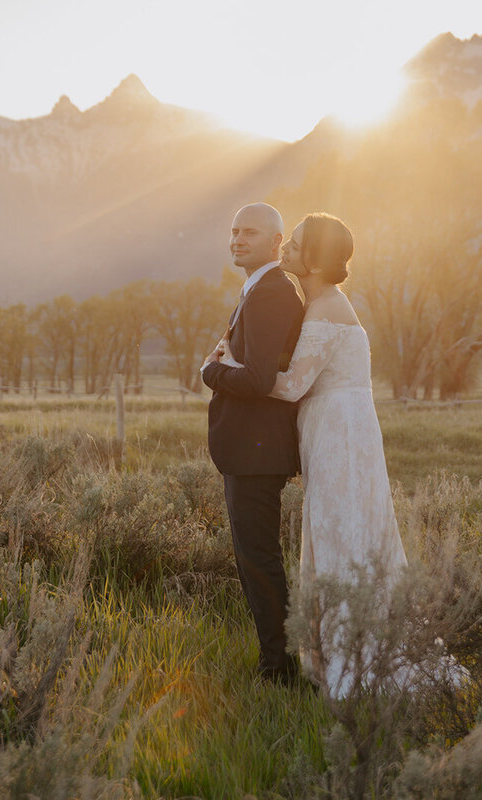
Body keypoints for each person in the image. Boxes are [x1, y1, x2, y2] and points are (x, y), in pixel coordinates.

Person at [212, 212, 410, 698]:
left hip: (338, 431)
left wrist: (223, 366)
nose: (287, 252)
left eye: (296, 246)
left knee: (344, 534)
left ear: (315, 260)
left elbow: (292, 384)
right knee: (336, 532)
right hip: (334, 426)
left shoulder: (325, 308)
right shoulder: (319, 301)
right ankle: (340, 650)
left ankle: (355, 659)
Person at [201, 202, 305, 686]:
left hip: (256, 448)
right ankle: (277, 661)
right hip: (248, 448)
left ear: (275, 243)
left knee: (259, 559)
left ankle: (279, 669)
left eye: (251, 232)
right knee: (253, 556)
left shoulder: (271, 293)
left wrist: (211, 372)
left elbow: (261, 378)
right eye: (234, 230)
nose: (238, 238)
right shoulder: (258, 289)